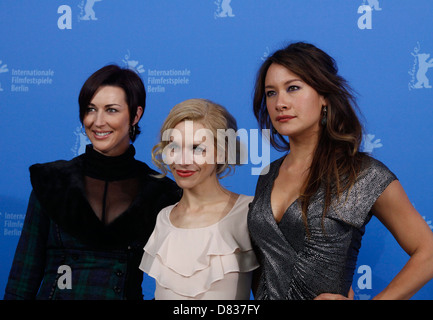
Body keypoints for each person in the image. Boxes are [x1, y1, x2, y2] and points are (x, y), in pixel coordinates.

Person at [247, 42, 433, 300]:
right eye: (271, 93)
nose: (280, 103)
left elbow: (429, 252)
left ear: (323, 95)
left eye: (293, 88)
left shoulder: (364, 175)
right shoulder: (268, 174)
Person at [4, 64, 180, 300]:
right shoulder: (52, 181)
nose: (98, 122)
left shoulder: (160, 192)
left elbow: (178, 284)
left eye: (111, 110)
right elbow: (22, 278)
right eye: (90, 109)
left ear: (136, 115)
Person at [139, 98, 259, 299]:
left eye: (197, 148)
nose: (182, 160)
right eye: (174, 147)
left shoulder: (249, 211)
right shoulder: (163, 218)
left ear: (222, 151)